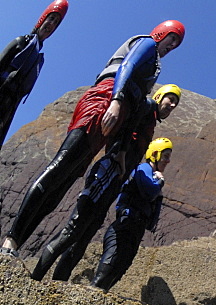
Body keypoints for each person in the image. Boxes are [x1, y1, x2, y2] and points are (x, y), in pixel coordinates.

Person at [1, 20, 185, 257]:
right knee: (60, 166)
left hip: (114, 116)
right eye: (172, 38)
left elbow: (135, 110)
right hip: (103, 102)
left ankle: (16, 246)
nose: (172, 45)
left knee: (63, 184)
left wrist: (118, 151)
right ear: (163, 33)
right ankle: (10, 239)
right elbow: (127, 66)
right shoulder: (147, 44)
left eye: (176, 43)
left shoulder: (153, 70)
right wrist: (117, 99)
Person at [30, 83, 181, 281]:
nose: (172, 106)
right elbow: (126, 124)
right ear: (160, 96)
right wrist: (121, 154)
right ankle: (35, 280)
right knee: (74, 228)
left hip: (114, 180)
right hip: (108, 171)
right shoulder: (146, 106)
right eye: (171, 99)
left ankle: (56, 287)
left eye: (176, 103)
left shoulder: (151, 121)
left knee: (83, 237)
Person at [90, 137, 171, 290]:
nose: (168, 161)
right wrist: (160, 182)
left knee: (119, 270)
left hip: (135, 228)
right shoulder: (144, 169)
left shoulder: (152, 174)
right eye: (165, 156)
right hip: (125, 225)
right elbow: (150, 190)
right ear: (155, 154)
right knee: (108, 269)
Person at [0, 1, 69, 147]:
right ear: (42, 19)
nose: (51, 24)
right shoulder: (21, 42)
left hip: (9, 107)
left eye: (56, 23)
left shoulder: (38, 58)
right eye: (51, 19)